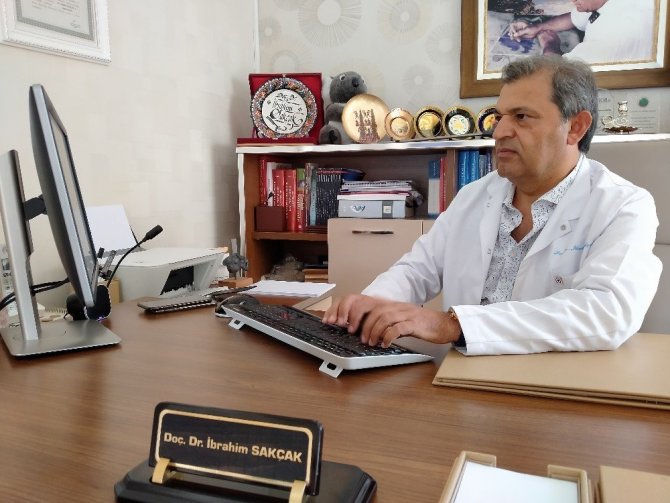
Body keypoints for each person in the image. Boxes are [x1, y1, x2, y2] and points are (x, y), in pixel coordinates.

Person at [322, 54, 661, 356]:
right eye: (500, 117)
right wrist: (373, 305)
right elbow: (417, 270)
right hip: (460, 378)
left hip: (552, 387)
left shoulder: (624, 205)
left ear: (576, 127)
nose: (498, 132)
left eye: (522, 117)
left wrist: (455, 325)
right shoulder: (474, 195)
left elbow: (607, 310)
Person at [509, 0, 655, 64]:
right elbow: (575, 17)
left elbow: (558, 70)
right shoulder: (603, 3)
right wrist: (539, 27)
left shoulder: (612, 35)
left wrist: (549, 42)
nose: (572, 0)